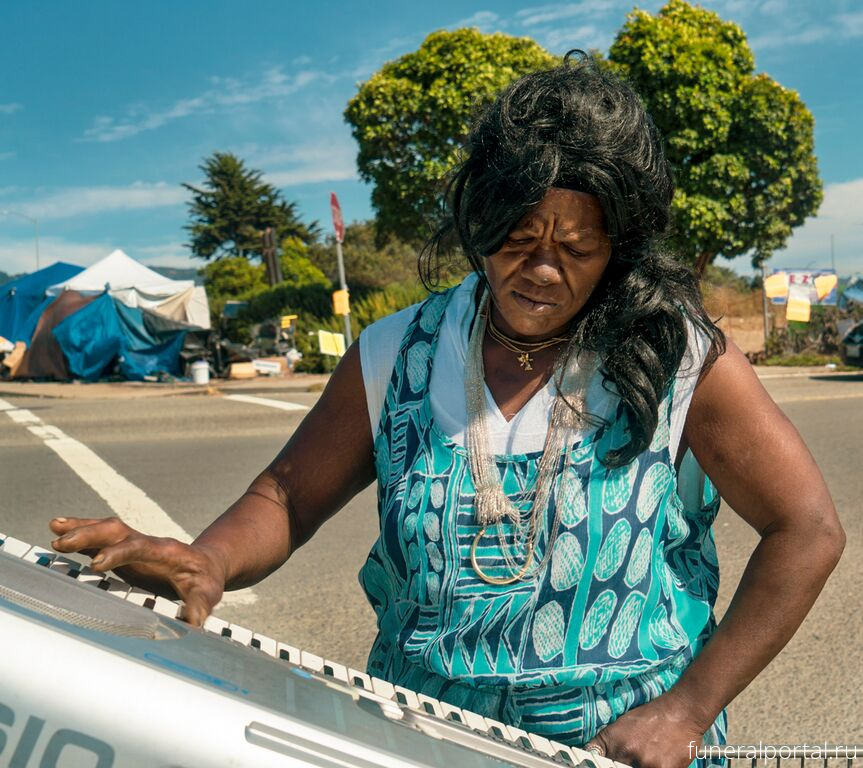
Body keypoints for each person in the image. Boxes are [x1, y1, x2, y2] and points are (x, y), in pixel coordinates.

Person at [50, 53, 844, 768]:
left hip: (624, 754)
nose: (539, 271)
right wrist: (210, 560)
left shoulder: (677, 357)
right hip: (419, 741)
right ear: (480, 217)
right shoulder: (400, 352)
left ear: (619, 248)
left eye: (576, 250)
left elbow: (806, 529)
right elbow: (287, 497)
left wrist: (686, 710)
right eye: (517, 237)